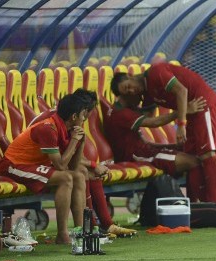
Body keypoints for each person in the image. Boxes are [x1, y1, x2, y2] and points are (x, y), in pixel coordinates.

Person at [29, 89, 137, 237]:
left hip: (48, 161)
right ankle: (90, 227)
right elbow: (63, 162)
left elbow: (73, 157)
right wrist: (94, 165)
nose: (86, 118)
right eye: (86, 113)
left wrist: (92, 163)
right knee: (83, 172)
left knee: (86, 172)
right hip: (35, 164)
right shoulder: (55, 121)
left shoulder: (68, 119)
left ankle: (103, 225)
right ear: (80, 111)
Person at [110, 64, 216, 203]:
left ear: (130, 76)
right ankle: (196, 207)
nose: (132, 91)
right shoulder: (145, 95)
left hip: (201, 104)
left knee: (207, 156)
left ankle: (215, 207)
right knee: (194, 157)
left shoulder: (155, 73)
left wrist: (181, 124)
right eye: (128, 93)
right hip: (191, 112)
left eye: (129, 86)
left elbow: (182, 91)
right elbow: (152, 120)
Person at [0, 93, 90, 244]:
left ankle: (80, 232)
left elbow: (73, 167)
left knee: (79, 175)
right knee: (65, 178)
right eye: (83, 115)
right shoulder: (48, 128)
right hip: (13, 165)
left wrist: (82, 141)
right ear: (74, 116)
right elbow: (61, 166)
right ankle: (62, 235)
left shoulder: (67, 129)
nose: (84, 119)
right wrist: (75, 140)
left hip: (33, 166)